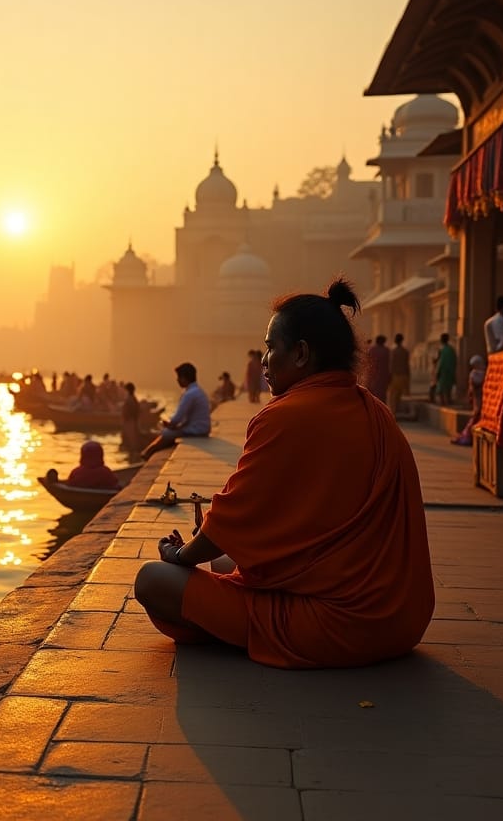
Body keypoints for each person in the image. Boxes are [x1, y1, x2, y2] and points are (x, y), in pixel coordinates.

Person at [132, 278, 434, 669]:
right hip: (401, 621)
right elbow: (282, 521)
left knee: (153, 581)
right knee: (224, 564)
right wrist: (215, 546)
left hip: (340, 626)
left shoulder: (284, 417)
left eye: (272, 347)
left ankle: (244, 629)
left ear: (302, 354)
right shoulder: (378, 413)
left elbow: (230, 519)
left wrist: (181, 555)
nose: (263, 360)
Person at [141, 362, 211, 459]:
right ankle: (148, 452)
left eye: (179, 377)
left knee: (166, 433)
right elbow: (184, 418)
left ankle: (147, 452)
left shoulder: (190, 394)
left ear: (184, 378)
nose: (177, 380)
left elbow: (177, 418)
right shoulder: (197, 391)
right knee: (169, 431)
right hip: (202, 428)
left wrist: (169, 424)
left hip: (197, 430)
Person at [452, 355, 487, 446]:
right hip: (478, 398)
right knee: (476, 416)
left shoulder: (478, 373)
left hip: (481, 398)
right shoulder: (477, 373)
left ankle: (469, 436)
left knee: (477, 417)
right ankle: (468, 436)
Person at [365, 335, 391, 405]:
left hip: (373, 376)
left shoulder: (371, 350)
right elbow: (389, 364)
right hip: (383, 376)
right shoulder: (387, 351)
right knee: (382, 395)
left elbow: (367, 363)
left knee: (374, 394)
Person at [387, 334, 410, 415]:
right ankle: (395, 412)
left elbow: (391, 365)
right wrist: (408, 378)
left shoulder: (393, 351)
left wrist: (389, 376)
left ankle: (392, 414)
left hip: (394, 376)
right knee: (398, 396)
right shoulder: (405, 351)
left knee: (392, 396)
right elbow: (407, 365)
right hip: (403, 376)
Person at [434, 332, 457, 406]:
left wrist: (437, 372)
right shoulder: (451, 350)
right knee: (448, 390)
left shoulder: (442, 350)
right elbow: (455, 361)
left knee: (441, 390)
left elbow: (440, 362)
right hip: (450, 372)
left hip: (443, 373)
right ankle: (448, 403)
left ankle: (443, 404)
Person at [120, 382, 144, 450]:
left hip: (130, 422)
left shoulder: (130, 399)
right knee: (131, 440)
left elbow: (131, 411)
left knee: (132, 442)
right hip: (131, 421)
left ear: (127, 390)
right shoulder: (133, 398)